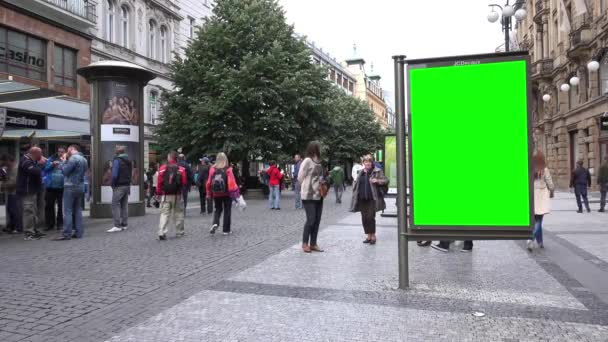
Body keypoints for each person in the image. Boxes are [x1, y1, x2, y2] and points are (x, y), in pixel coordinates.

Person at [350, 155, 387, 245]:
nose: (367, 163)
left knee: (370, 217)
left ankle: (373, 235)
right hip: (362, 199)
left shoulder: (377, 171)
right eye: (366, 162)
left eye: (369, 162)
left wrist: (377, 180)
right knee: (364, 218)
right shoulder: (361, 172)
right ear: (363, 163)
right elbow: (356, 184)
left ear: (372, 163)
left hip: (372, 199)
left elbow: (386, 180)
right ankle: (368, 236)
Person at [54, 145, 88, 240]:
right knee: (78, 209)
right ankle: (79, 232)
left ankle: (67, 233)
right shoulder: (84, 159)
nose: (67, 152)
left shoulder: (73, 159)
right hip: (80, 186)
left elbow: (65, 171)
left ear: (72, 149)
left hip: (70, 186)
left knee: (68, 210)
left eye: (68, 149)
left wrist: (63, 161)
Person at [299, 141, 325, 253]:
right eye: (319, 147)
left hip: (319, 195)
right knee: (311, 219)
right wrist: (306, 187)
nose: (320, 149)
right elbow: (300, 177)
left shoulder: (319, 161)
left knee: (317, 220)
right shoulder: (307, 161)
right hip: (308, 195)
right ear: (314, 148)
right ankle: (305, 243)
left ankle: (313, 243)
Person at [156, 151, 188, 240]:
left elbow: (159, 183)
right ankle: (179, 232)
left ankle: (161, 232)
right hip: (177, 195)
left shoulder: (162, 168)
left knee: (164, 213)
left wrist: (158, 193)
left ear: (169, 158)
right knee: (178, 213)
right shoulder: (181, 169)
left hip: (166, 195)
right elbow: (184, 182)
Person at [17, 147, 47, 240]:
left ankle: (34, 230)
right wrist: (40, 164)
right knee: (29, 211)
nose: (41, 156)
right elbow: (35, 172)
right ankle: (28, 233)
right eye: (40, 154)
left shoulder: (31, 161)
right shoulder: (26, 161)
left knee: (34, 211)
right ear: (35, 153)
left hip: (33, 190)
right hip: (27, 190)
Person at [206, 152, 239, 235]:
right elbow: (232, 182)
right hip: (226, 193)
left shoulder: (212, 169)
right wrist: (236, 194)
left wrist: (208, 193)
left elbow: (209, 182)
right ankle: (226, 230)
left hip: (216, 193)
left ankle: (215, 223)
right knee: (227, 210)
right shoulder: (228, 169)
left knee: (217, 209)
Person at [527, 151, 554, 250]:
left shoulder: (529, 168)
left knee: (534, 219)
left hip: (531, 195)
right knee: (539, 220)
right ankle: (531, 238)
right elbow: (550, 182)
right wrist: (552, 190)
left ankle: (540, 242)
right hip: (541, 195)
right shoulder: (544, 169)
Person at [108, 146, 131, 233]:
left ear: (117, 152)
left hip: (119, 186)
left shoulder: (117, 160)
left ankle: (117, 225)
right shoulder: (128, 160)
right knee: (124, 205)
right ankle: (124, 224)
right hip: (127, 185)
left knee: (114, 204)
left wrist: (112, 184)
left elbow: (114, 175)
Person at [43, 147, 66, 231]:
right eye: (59, 151)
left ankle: (60, 224)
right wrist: (52, 164)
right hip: (50, 186)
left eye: (62, 152)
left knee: (60, 206)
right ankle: (49, 224)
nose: (60, 153)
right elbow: (45, 169)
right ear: (57, 152)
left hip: (61, 187)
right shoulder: (50, 159)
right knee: (49, 205)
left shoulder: (66, 160)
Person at [1, 155, 20, 234]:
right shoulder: (9, 168)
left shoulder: (15, 169)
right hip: (10, 192)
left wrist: (2, 185)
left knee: (14, 210)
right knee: (10, 209)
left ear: (9, 161)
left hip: (15, 192)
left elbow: (13, 182)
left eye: (5, 162)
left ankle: (17, 227)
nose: (4, 164)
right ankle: (11, 226)